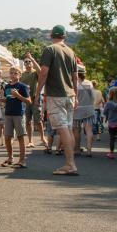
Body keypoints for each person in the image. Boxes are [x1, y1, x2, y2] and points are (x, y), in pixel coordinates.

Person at [35, 25, 79, 176]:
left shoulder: (50, 49)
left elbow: (43, 73)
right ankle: (70, 162)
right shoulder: (71, 51)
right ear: (64, 36)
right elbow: (75, 77)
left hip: (56, 94)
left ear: (51, 35)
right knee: (67, 128)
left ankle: (70, 164)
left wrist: (37, 94)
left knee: (62, 129)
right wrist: (76, 95)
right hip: (70, 95)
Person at [0, 66, 30, 168]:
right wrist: (1, 100)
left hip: (18, 114)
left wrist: (18, 96)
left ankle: (22, 160)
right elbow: (7, 99)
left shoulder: (22, 86)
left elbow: (29, 101)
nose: (13, 75)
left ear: (20, 75)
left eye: (15, 73)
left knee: (21, 137)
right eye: (11, 73)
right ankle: (10, 158)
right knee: (7, 137)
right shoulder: (7, 86)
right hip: (8, 114)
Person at [20, 55, 44, 148]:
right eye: (26, 62)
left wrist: (32, 58)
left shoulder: (35, 73)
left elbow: (40, 71)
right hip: (26, 100)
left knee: (38, 120)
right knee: (28, 121)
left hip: (35, 98)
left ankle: (42, 138)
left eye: (29, 61)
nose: (28, 63)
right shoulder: (22, 74)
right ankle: (30, 141)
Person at [73, 66, 96, 157]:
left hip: (77, 110)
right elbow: (93, 97)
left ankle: (77, 150)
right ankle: (89, 150)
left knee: (76, 130)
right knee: (89, 130)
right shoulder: (89, 83)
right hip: (89, 109)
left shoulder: (73, 84)